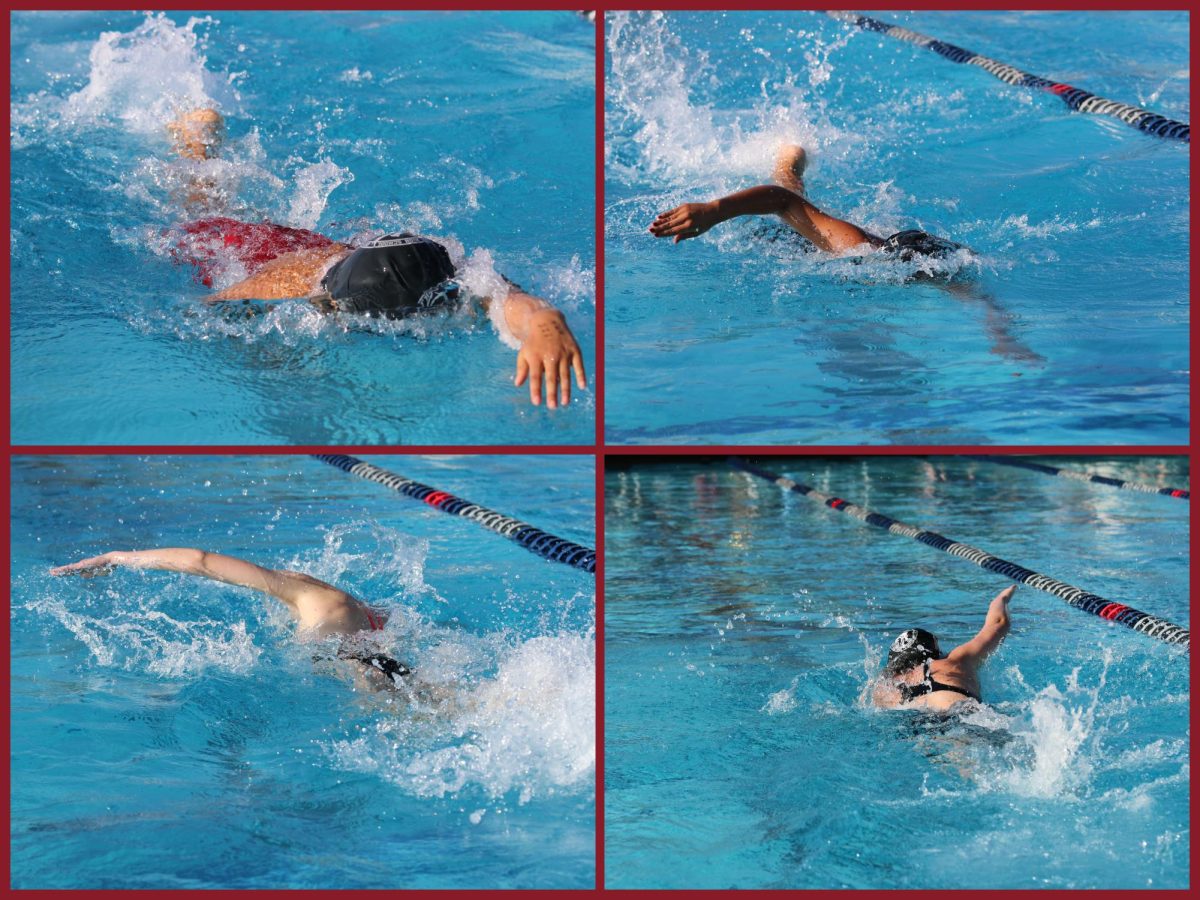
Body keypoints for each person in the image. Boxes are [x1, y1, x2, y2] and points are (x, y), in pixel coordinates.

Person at [166, 109, 587, 409]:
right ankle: (194, 148)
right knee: (198, 213)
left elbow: (504, 297)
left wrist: (546, 324)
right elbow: (207, 311)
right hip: (254, 250)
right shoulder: (287, 285)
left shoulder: (445, 277)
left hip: (320, 249)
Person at [50, 547, 409, 690]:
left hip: (344, 655)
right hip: (367, 642)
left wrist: (116, 557)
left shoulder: (294, 589)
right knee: (418, 693)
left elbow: (199, 560)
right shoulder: (348, 601)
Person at [650, 143, 963, 261]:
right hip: (797, 240)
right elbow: (782, 201)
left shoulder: (945, 270)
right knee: (793, 198)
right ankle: (789, 160)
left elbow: (974, 294)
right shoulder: (858, 249)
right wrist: (714, 211)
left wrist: (998, 333)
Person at [872, 585, 1014, 712]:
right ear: (932, 652)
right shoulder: (954, 661)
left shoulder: (884, 689)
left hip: (915, 727)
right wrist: (1001, 599)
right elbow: (998, 623)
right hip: (961, 718)